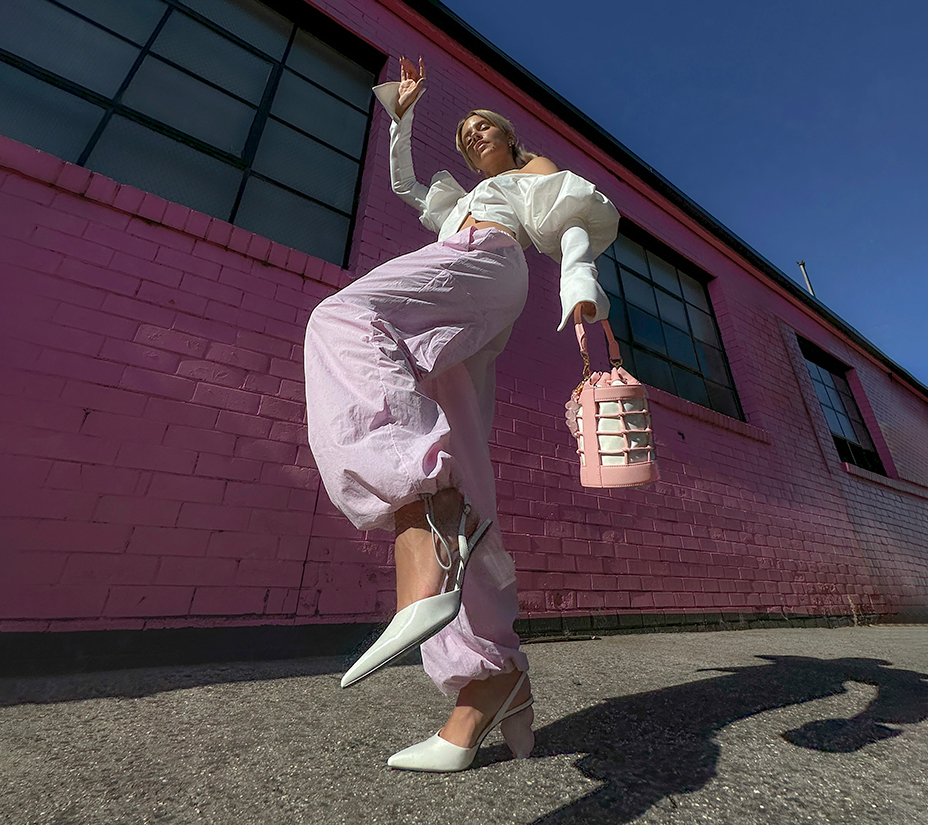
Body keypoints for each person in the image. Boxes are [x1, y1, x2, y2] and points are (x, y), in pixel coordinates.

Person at [303, 56, 619, 772]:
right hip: (465, 285)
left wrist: (579, 286)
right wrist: (404, 119)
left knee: (342, 316)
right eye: (468, 129)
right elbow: (405, 184)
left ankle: (427, 511)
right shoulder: (462, 196)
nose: (474, 133)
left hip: (485, 266)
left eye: (486, 126)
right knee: (469, 464)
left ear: (510, 140)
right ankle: (488, 681)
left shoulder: (526, 176)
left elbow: (572, 224)